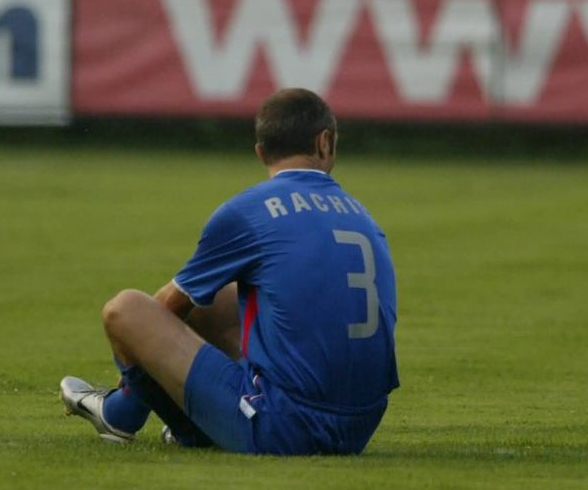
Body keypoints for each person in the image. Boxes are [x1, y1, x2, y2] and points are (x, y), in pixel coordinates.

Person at [60, 88, 399, 456]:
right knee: (217, 298)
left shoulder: (248, 211)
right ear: (325, 142)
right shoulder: (363, 215)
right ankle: (192, 415)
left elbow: (165, 309)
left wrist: (135, 375)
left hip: (283, 425)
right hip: (361, 425)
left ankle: (121, 413)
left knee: (125, 310)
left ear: (260, 152)